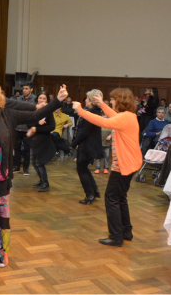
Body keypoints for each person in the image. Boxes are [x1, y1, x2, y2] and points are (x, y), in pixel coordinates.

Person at [0, 81, 67, 267]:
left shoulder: (8, 114)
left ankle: (0, 253)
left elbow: (36, 114)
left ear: (0, 96)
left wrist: (57, 101)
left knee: (1, 215)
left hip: (1, 175)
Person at [72, 88, 142, 247]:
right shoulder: (128, 116)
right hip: (130, 163)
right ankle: (125, 232)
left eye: (113, 99)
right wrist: (102, 105)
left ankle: (116, 236)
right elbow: (113, 116)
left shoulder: (125, 117)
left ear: (120, 101)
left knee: (111, 198)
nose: (111, 101)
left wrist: (81, 111)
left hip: (124, 165)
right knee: (120, 198)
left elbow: (104, 122)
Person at [71, 90, 104, 204]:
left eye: (86, 99)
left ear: (91, 101)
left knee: (81, 169)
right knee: (84, 168)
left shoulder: (92, 113)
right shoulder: (94, 111)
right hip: (88, 144)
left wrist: (74, 143)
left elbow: (85, 132)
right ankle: (94, 192)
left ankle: (90, 195)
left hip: (87, 145)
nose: (85, 100)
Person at [26, 92, 56, 192]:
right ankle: (41, 179)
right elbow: (28, 123)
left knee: (39, 162)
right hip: (34, 140)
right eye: (40, 98)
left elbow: (52, 126)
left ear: (47, 100)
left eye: (44, 98)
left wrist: (37, 129)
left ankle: (45, 183)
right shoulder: (34, 110)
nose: (42, 100)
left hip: (43, 140)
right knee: (33, 161)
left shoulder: (48, 112)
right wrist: (37, 123)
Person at [13, 82, 37, 175]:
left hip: (27, 128)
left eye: (26, 88)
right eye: (23, 89)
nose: (24, 90)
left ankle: (26, 168)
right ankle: (16, 166)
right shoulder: (19, 99)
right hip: (17, 127)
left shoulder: (34, 100)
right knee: (17, 148)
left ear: (31, 89)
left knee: (27, 149)